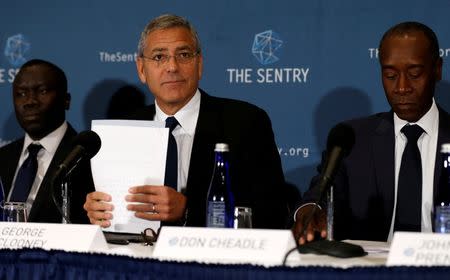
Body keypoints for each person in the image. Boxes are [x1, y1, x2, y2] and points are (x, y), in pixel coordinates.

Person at [83, 14, 289, 229]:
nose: (172, 66)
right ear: (142, 69)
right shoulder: (123, 131)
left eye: (183, 54)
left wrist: (189, 209)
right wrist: (96, 210)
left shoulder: (245, 122)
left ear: (199, 64)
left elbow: (271, 210)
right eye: (159, 57)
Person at [293, 21, 450, 243]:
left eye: (414, 73)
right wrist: (311, 211)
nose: (402, 87)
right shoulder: (355, 138)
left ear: (437, 69)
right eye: (390, 75)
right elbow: (321, 192)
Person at [0, 59, 95, 223]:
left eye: (42, 91)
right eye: (21, 94)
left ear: (66, 100)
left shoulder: (89, 159)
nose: (30, 101)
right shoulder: (2, 157)